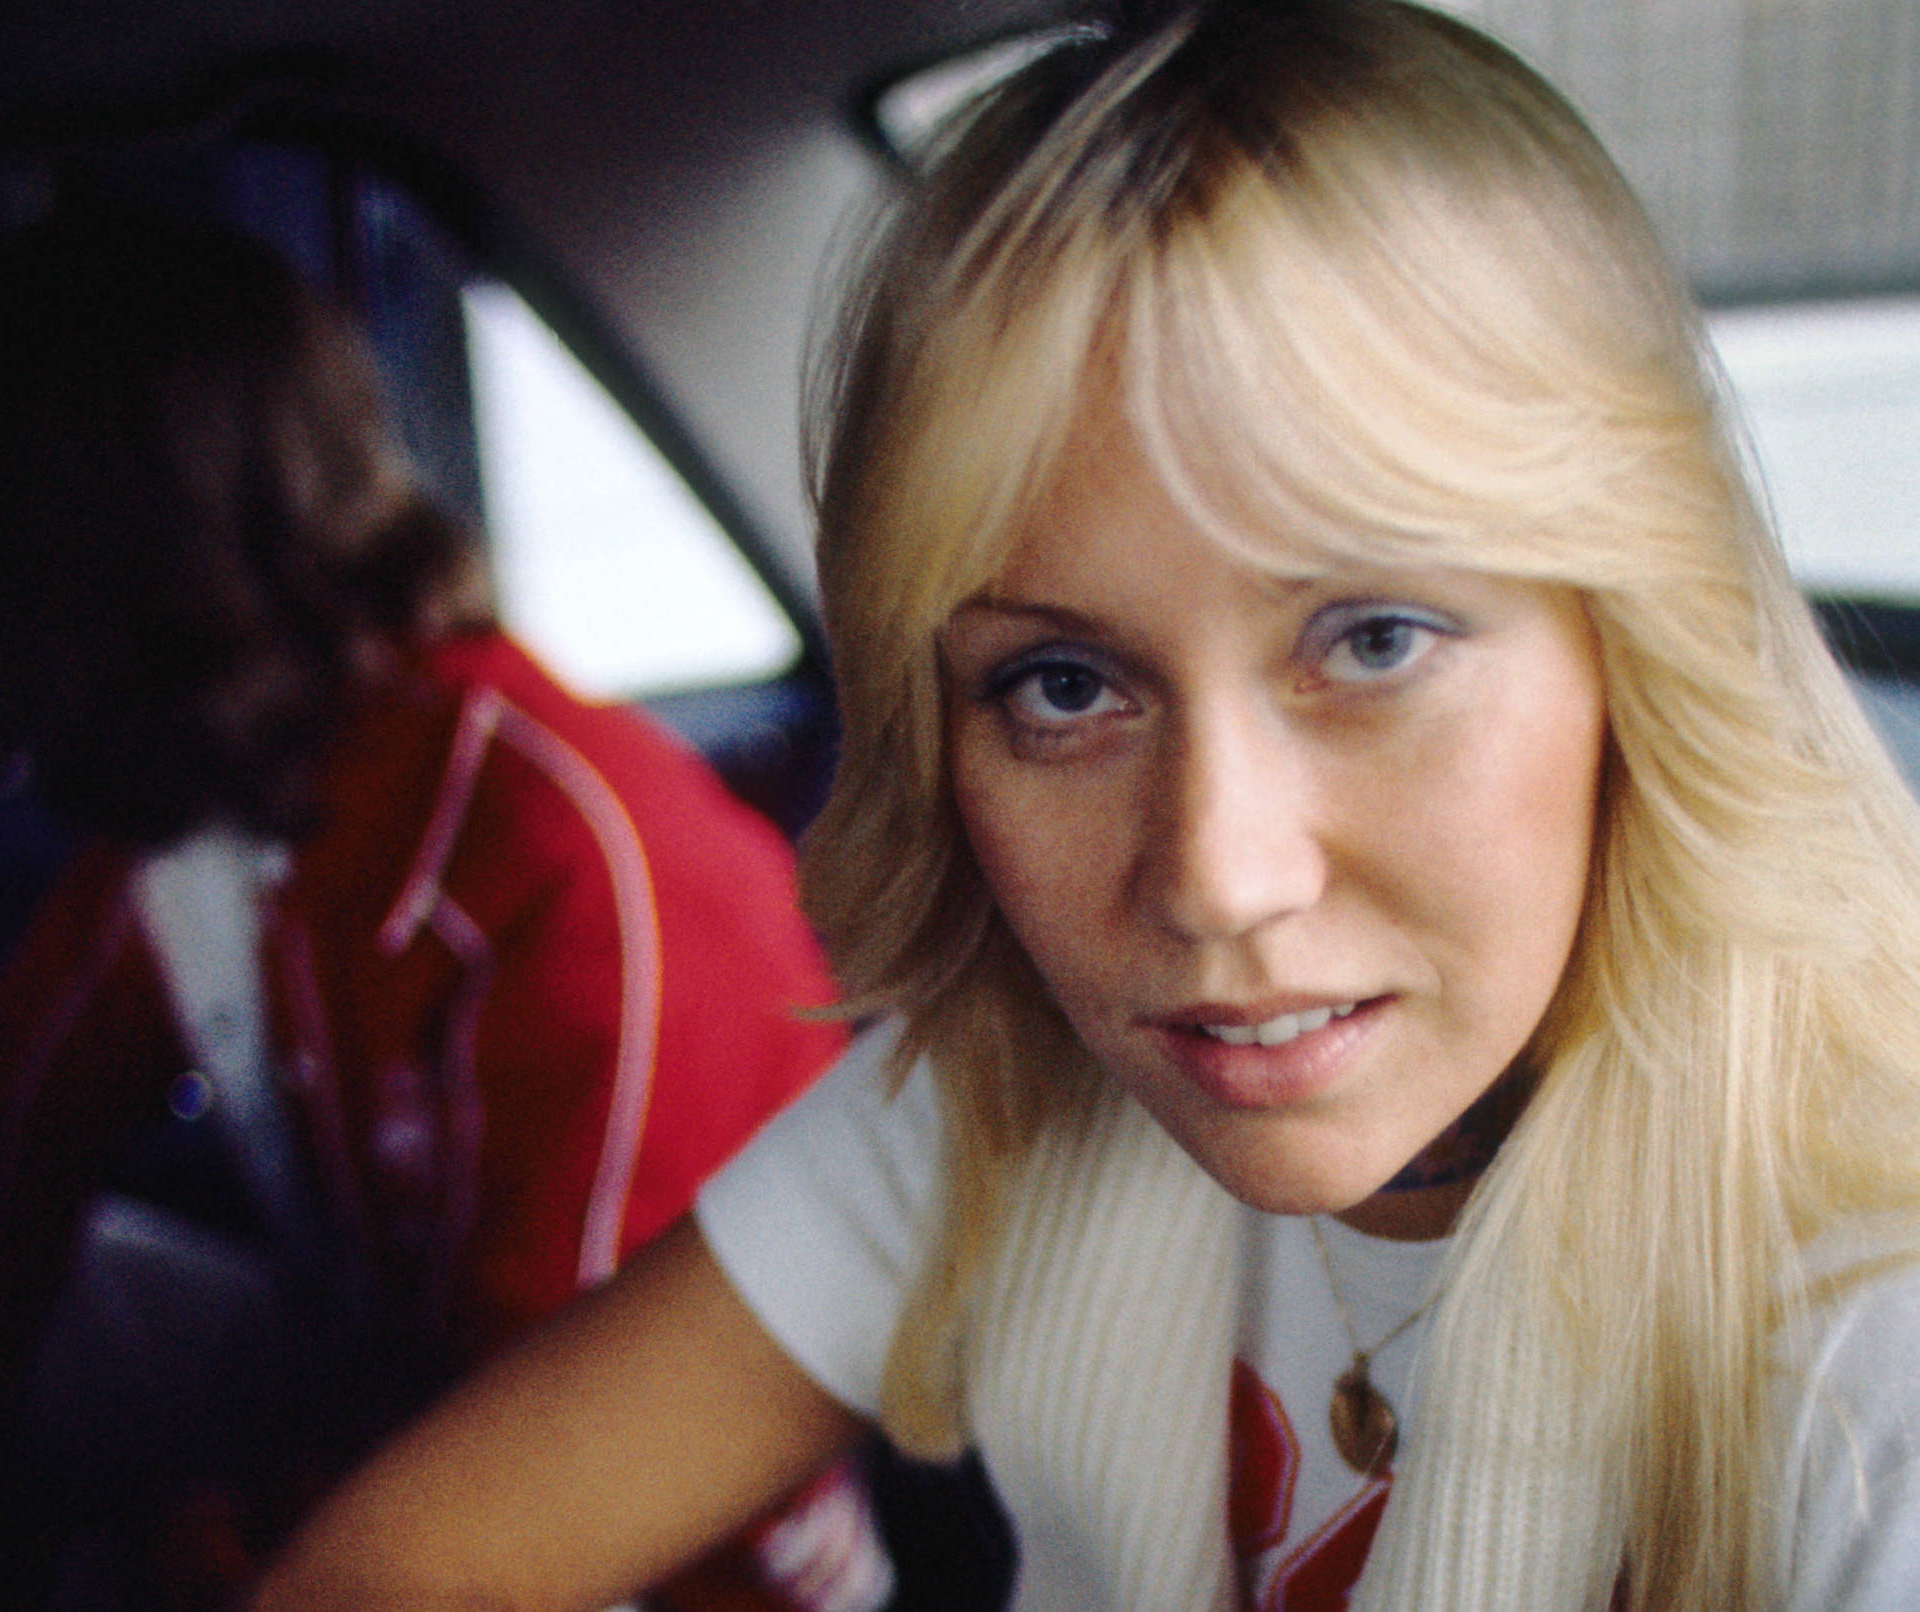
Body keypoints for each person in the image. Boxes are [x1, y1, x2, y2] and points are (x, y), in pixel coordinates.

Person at [241, 1, 1920, 1608]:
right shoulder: (1011, 1099)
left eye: (1374, 641)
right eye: (1061, 686)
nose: (1216, 878)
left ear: (1639, 644)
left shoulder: (1872, 1336)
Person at [0, 211, 889, 1612]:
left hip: (657, 1553)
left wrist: (186, 1558)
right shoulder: (229, 791)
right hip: (412, 1393)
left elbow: (569, 1490)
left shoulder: (574, 865)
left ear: (99, 589)